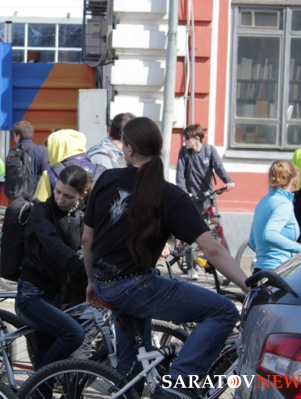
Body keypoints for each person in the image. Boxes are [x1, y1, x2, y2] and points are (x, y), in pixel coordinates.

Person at [83, 117, 248, 399]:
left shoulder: (107, 179)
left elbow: (87, 239)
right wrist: (249, 286)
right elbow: (213, 250)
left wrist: (91, 283)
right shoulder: (171, 195)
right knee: (224, 311)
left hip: (105, 284)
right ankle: (177, 386)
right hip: (135, 286)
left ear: (129, 149)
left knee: (133, 362)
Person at [15, 165, 89, 369]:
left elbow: (88, 246)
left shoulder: (79, 216)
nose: (60, 199)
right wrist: (80, 267)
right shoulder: (41, 211)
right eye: (58, 191)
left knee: (45, 361)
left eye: (68, 196)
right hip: (31, 296)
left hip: (56, 295)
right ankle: (38, 380)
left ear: (82, 195)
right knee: (74, 334)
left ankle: (40, 381)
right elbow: (53, 245)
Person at [176, 124, 234, 280]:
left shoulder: (209, 151)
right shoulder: (184, 152)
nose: (184, 141)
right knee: (190, 232)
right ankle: (191, 268)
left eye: (187, 138)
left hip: (208, 197)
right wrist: (184, 193)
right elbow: (180, 176)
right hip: (191, 198)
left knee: (215, 233)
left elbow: (219, 167)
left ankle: (221, 266)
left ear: (196, 139)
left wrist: (228, 181)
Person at [249, 161, 301, 272]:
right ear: (293, 179)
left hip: (259, 270)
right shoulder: (284, 204)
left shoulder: (263, 201)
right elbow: (270, 235)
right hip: (278, 270)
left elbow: (252, 241)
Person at [33, 129, 104, 202]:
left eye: (51, 153)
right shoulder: (103, 172)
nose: (47, 160)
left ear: (59, 151)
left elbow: (38, 206)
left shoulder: (49, 174)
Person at [5, 120, 48, 200]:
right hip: (35, 197)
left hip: (16, 198)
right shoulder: (42, 151)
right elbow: (47, 174)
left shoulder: (12, 152)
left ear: (18, 136)